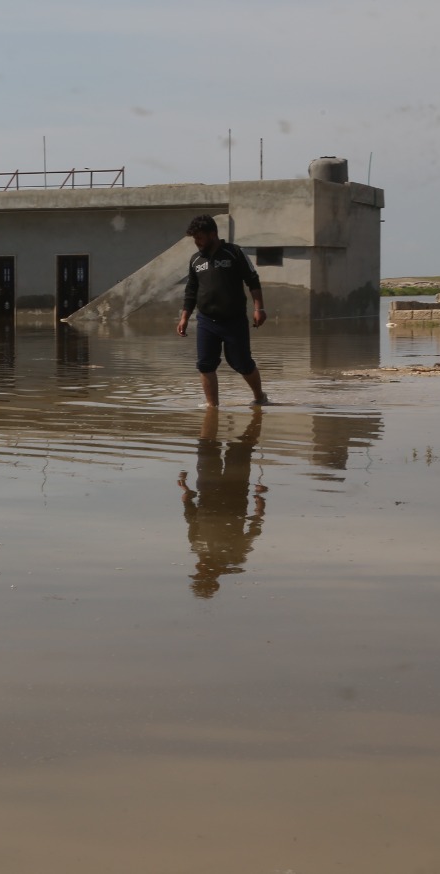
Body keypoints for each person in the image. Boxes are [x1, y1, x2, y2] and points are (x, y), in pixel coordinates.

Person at [175, 214, 268, 407]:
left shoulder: (234, 252)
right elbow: (191, 291)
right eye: (195, 239)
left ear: (213, 234)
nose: (197, 242)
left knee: (242, 363)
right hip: (206, 321)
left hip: (234, 320)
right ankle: (212, 407)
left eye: (200, 238)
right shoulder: (195, 260)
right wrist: (184, 317)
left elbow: (252, 280)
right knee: (205, 364)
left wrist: (259, 308)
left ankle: (260, 397)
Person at [178, 408, 267, 598]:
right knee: (241, 449)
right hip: (236, 492)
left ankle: (214, 411)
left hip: (207, 489)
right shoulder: (235, 555)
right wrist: (260, 504)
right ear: (214, 575)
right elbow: (254, 530)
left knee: (206, 447)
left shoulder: (196, 546)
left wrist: (186, 492)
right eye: (203, 572)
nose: (199, 566)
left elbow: (191, 517)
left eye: (198, 571)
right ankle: (258, 415)